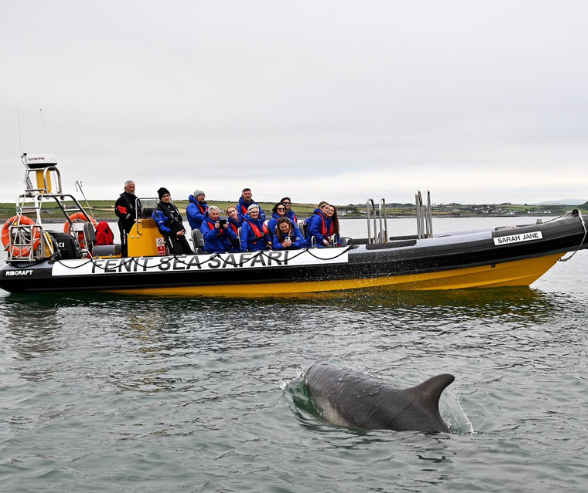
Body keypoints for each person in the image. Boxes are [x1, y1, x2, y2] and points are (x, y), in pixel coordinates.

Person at [152, 187, 193, 255]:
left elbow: (179, 221)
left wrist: (183, 230)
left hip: (180, 235)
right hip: (170, 236)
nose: (167, 198)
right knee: (177, 254)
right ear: (161, 198)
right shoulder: (158, 210)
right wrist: (174, 234)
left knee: (189, 253)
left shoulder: (174, 207)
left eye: (168, 195)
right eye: (164, 196)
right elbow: (161, 227)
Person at [114, 180, 138, 256]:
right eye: (130, 187)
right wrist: (132, 218)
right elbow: (121, 212)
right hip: (125, 224)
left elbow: (140, 210)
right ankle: (125, 256)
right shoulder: (121, 199)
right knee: (125, 242)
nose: (132, 189)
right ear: (125, 188)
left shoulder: (136, 199)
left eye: (133, 187)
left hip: (136, 224)